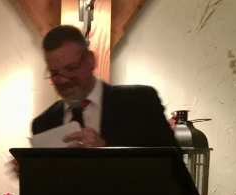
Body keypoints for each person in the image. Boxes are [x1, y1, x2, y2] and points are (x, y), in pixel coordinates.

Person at [32, 25, 178, 148]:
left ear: (90, 60)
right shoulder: (43, 124)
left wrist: (105, 149)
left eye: (70, 68)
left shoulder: (140, 102)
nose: (63, 80)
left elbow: (171, 166)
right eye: (55, 73)